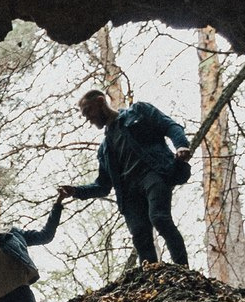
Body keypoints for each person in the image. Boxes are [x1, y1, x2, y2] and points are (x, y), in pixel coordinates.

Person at [58, 88, 190, 267]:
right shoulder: (105, 149)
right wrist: (75, 191)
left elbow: (169, 125)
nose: (88, 119)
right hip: (129, 193)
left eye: (88, 111)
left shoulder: (138, 112)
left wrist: (181, 145)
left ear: (100, 101)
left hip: (154, 174)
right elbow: (103, 186)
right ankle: (151, 280)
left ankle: (183, 270)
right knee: (139, 234)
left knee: (159, 217)